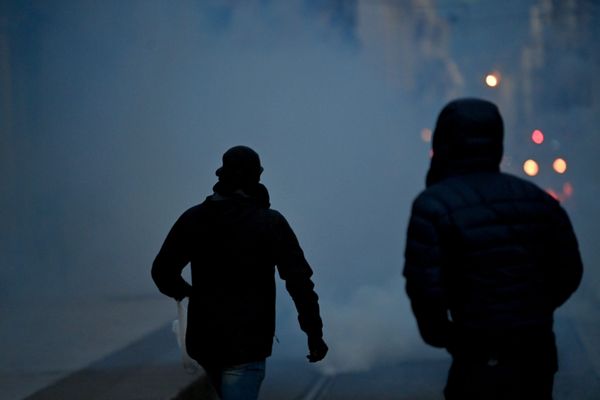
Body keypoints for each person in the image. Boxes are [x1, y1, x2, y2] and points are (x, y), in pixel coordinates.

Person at [403, 98, 583, 400]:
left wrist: (450, 336)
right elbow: (569, 272)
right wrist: (532, 312)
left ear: (444, 142)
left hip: (476, 358)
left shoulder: (433, 206)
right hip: (536, 355)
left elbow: (425, 289)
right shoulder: (538, 200)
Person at [152, 145, 328, 400]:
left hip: (206, 341)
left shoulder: (193, 219)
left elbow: (162, 272)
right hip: (248, 343)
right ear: (255, 177)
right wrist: (314, 333)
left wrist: (191, 294)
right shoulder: (270, 222)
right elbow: (299, 281)